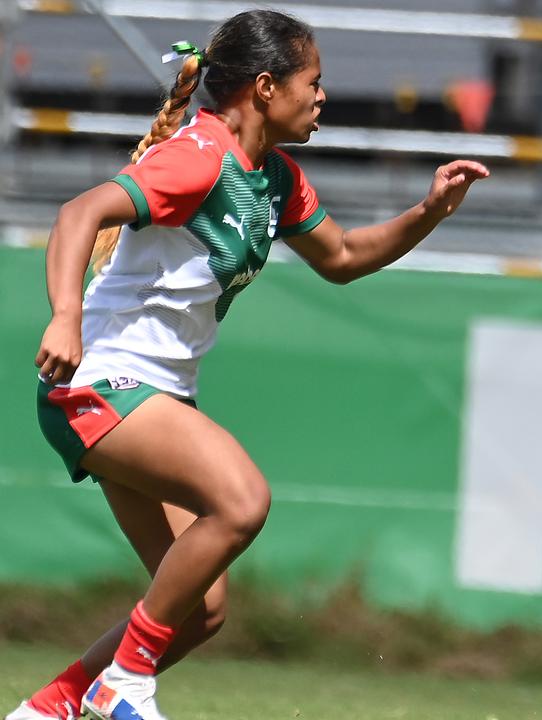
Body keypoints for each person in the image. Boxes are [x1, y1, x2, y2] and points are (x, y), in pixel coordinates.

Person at [9, 10, 488, 720]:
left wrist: (430, 212)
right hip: (99, 384)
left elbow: (346, 258)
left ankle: (49, 709)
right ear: (265, 88)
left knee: (199, 610)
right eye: (313, 82)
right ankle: (122, 683)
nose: (322, 97)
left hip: (150, 393)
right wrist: (65, 315)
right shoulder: (200, 156)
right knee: (241, 501)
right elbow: (80, 213)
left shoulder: (273, 178)